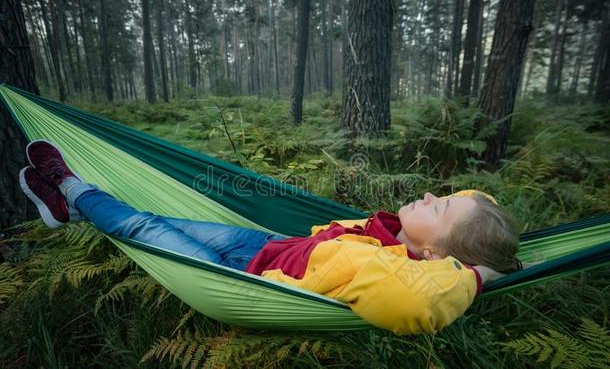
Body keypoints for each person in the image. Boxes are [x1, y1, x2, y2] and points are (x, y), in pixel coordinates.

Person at [19, 140, 521, 334]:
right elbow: (474, 203)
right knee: (157, 217)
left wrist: (479, 273)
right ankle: (70, 210)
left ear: (433, 254)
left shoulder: (401, 274)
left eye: (440, 206)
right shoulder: (392, 235)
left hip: (243, 279)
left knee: (143, 229)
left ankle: (69, 186)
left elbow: (418, 303)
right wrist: (485, 239)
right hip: (264, 245)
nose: (432, 194)